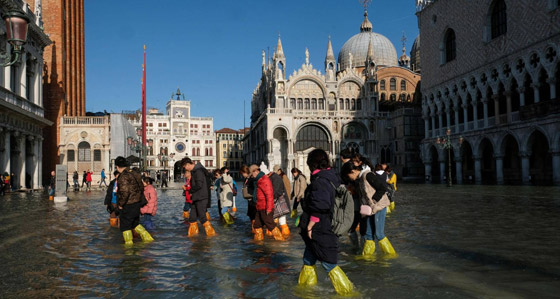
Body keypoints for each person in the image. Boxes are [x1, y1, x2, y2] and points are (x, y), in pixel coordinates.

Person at [297, 149, 353, 295]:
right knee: (308, 259)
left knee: (329, 263)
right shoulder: (330, 176)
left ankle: (348, 293)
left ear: (312, 164)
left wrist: (310, 224)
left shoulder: (321, 180)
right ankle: (305, 291)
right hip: (322, 225)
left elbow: (321, 204)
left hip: (319, 227)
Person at [341, 162, 396, 258]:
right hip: (369, 210)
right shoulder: (360, 178)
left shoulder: (368, 175)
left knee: (379, 234)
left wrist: (373, 201)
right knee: (368, 234)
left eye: (348, 176)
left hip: (378, 207)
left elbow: (382, 188)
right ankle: (367, 257)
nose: (349, 178)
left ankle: (391, 255)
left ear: (353, 171)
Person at [115, 156, 154, 246]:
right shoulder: (135, 174)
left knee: (125, 226)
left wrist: (120, 204)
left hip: (128, 205)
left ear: (117, 166)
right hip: (137, 203)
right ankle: (148, 238)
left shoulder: (123, 176)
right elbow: (141, 187)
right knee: (134, 224)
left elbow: (125, 192)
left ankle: (129, 246)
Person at [181, 157, 216, 237]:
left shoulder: (198, 171)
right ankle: (193, 235)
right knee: (192, 218)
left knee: (202, 217)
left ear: (187, 164)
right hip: (196, 197)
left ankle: (211, 235)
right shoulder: (195, 171)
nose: (185, 169)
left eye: (184, 167)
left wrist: (190, 190)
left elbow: (199, 185)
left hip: (201, 197)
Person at [250, 164, 284, 241]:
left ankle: (281, 240)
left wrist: (269, 209)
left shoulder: (264, 180)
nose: (251, 176)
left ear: (255, 171)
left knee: (270, 225)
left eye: (252, 174)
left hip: (265, 207)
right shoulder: (259, 180)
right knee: (257, 225)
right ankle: (258, 242)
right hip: (260, 207)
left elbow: (269, 195)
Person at [269, 165, 290, 238]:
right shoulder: (277, 177)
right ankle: (285, 236)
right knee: (281, 219)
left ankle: (281, 236)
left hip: (279, 200)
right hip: (281, 200)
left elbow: (287, 187)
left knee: (279, 219)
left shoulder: (279, 177)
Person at [240, 165, 257, 233]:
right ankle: (253, 228)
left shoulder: (251, 179)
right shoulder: (246, 179)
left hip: (253, 199)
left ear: (245, 172)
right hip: (249, 200)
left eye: (242, 173)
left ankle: (255, 229)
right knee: (250, 215)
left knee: (253, 215)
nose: (242, 175)